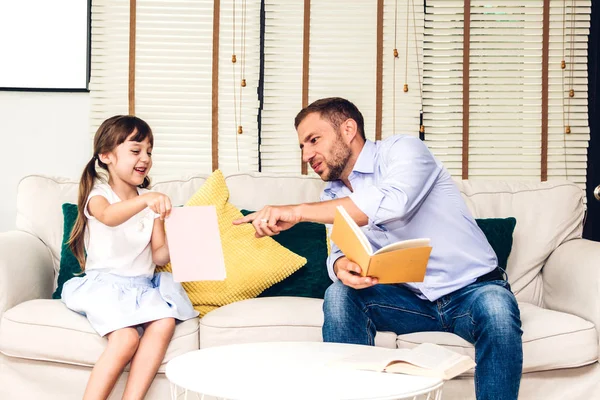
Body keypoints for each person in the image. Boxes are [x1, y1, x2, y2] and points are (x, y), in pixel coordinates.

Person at [233, 97, 523, 400]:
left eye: (314, 140)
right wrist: (341, 266)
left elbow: (394, 204)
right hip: (409, 301)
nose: (307, 154)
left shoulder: (404, 151)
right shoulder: (332, 193)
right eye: (302, 147)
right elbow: (338, 251)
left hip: (472, 292)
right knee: (340, 294)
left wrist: (297, 211)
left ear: (348, 129)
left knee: (497, 307)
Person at [62, 115, 199, 400]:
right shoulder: (99, 195)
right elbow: (109, 218)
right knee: (125, 338)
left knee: (164, 322)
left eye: (149, 151)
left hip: (142, 286)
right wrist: (146, 201)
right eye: (136, 150)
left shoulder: (150, 199)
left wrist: (182, 237)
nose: (145, 158)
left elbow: (159, 255)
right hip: (106, 285)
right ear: (106, 156)